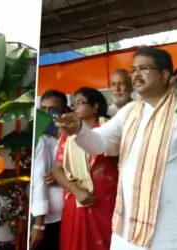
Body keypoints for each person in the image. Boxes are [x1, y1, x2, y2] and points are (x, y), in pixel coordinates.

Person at [55, 47, 177, 250]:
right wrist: (79, 130)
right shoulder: (129, 112)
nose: (136, 74)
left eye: (144, 68)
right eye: (133, 69)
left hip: (171, 228)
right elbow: (99, 143)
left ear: (164, 74)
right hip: (127, 229)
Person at [53, 87, 118, 250]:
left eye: (80, 103)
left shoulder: (109, 129)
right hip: (77, 199)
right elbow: (57, 169)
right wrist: (74, 189)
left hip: (107, 201)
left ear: (95, 106)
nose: (75, 107)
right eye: (73, 104)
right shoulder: (68, 135)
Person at [30, 90, 67, 250]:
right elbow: (39, 180)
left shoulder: (75, 139)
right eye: (43, 109)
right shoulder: (38, 138)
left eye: (52, 110)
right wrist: (39, 225)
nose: (47, 114)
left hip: (67, 215)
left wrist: (64, 175)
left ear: (64, 111)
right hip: (42, 217)